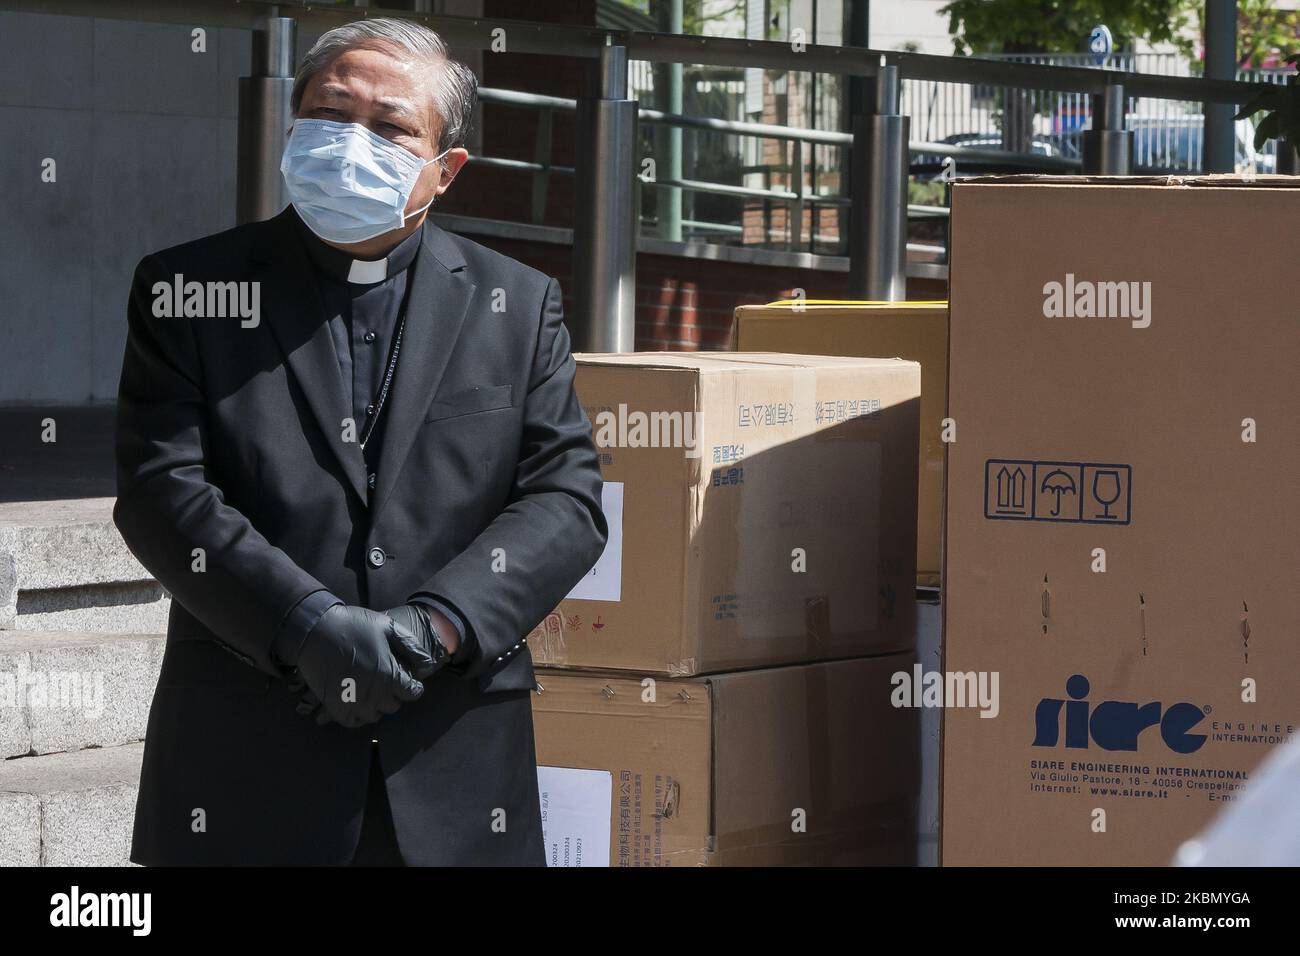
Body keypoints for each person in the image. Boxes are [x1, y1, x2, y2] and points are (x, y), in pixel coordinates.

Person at [114, 17, 607, 866]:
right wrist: (306, 626)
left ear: (444, 169)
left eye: (390, 128)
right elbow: (165, 492)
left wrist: (436, 627)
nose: (351, 142)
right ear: (293, 122)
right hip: (246, 751)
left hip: (452, 758)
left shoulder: (516, 305)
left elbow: (565, 499)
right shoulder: (188, 289)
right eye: (331, 111)